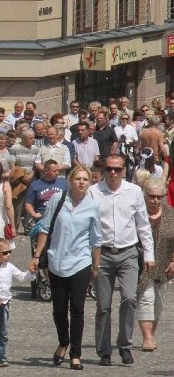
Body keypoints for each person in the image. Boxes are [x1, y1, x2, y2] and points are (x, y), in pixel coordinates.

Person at [30, 166, 102, 371]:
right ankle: (63, 341)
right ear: (70, 180)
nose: (81, 182)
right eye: (77, 178)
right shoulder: (57, 199)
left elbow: (96, 239)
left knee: (77, 308)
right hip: (56, 260)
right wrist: (37, 256)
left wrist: (96, 265)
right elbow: (44, 229)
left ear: (90, 183)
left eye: (85, 179)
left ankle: (75, 354)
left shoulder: (93, 206)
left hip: (80, 261)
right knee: (59, 309)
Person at [89, 154, 155, 366]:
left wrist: (149, 254)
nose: (113, 173)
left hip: (128, 251)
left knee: (129, 298)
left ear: (125, 170)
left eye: (118, 169)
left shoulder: (134, 191)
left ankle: (125, 346)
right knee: (104, 305)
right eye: (109, 169)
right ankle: (104, 351)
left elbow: (143, 224)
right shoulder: (94, 191)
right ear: (104, 170)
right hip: (103, 253)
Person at [0, 237, 35, 368]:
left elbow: (21, 277)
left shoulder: (9, 267)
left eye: (9, 252)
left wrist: (31, 272)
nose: (8, 254)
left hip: (5, 304)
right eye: (5, 253)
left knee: (3, 331)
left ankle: (2, 356)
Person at [136, 178, 174, 353]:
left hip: (164, 263)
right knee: (146, 298)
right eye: (152, 196)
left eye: (159, 197)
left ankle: (151, 333)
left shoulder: (171, 214)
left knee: (158, 302)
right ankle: (147, 337)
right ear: (145, 196)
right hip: (141, 264)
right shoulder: (138, 212)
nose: (156, 200)